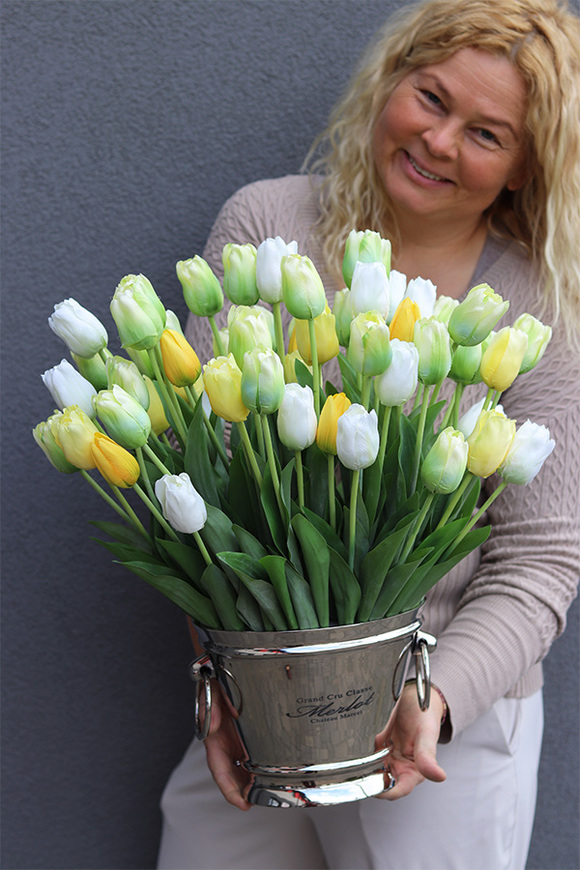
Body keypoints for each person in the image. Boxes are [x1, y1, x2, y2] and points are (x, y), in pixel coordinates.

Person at [157, 0, 580, 867]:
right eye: (430, 98)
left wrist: (437, 696)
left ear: (524, 171)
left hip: (439, 738)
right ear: (389, 83)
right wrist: (220, 692)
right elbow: (201, 501)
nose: (439, 142)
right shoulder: (270, 231)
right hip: (259, 710)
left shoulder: (534, 309)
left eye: (486, 134)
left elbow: (541, 560)